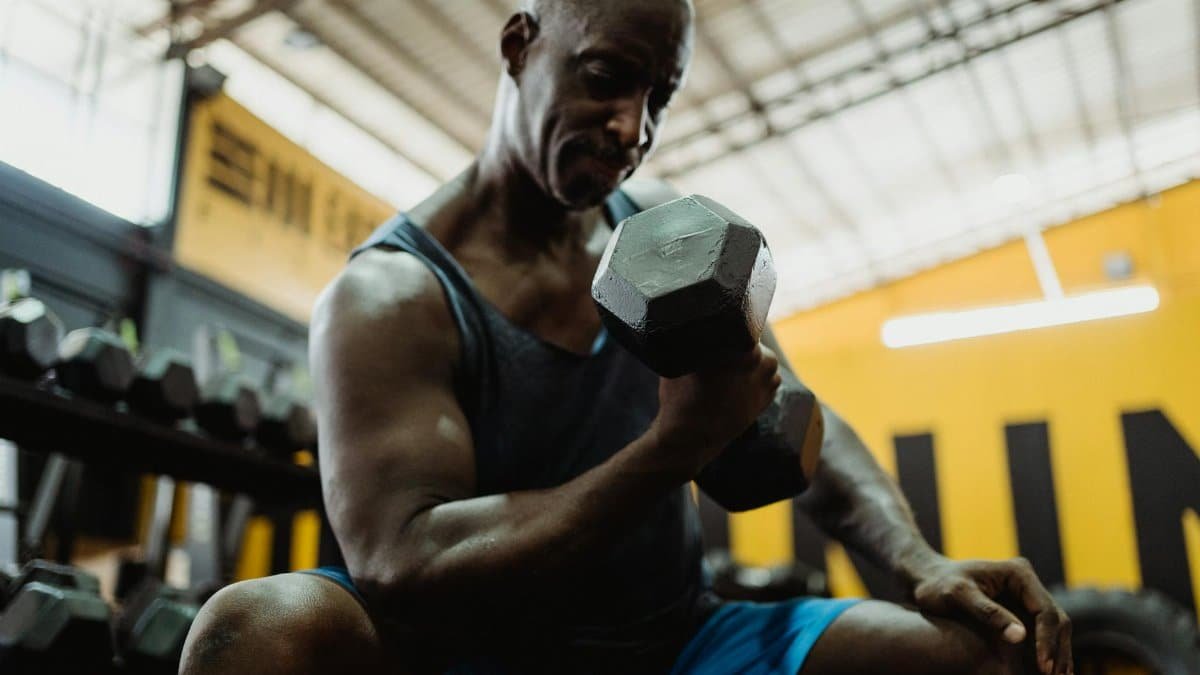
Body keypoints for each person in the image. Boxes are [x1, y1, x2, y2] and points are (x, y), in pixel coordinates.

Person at [179, 1, 1072, 673]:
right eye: (607, 78)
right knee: (254, 632)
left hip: (674, 639)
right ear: (520, 45)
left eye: (661, 95)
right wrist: (670, 450)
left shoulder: (669, 238)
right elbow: (407, 559)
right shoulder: (391, 295)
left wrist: (919, 561)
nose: (632, 130)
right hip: (456, 649)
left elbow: (795, 412)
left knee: (984, 648)